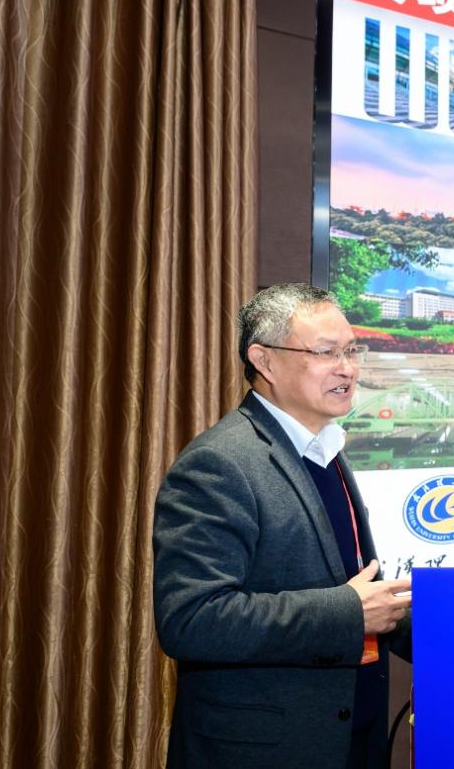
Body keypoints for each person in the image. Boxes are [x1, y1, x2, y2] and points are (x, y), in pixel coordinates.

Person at [153, 283, 412, 768]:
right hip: (266, 752)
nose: (347, 368)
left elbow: (356, 587)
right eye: (326, 352)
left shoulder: (325, 450)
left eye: (351, 351)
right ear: (264, 361)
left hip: (353, 741)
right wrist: (349, 612)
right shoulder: (220, 463)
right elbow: (192, 619)